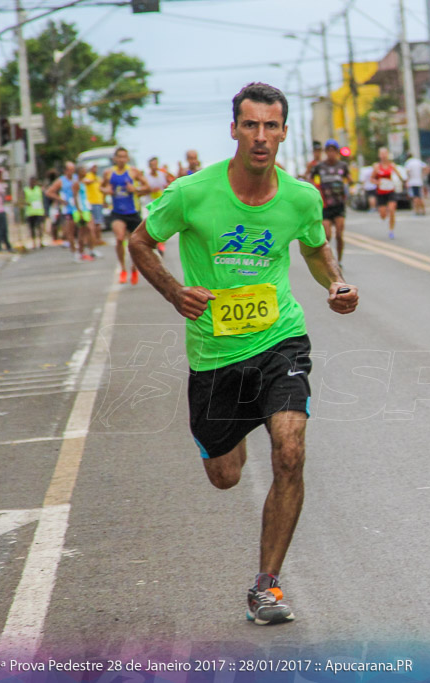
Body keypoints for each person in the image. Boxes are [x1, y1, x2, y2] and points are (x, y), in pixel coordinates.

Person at [128, 81, 358, 625]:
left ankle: (266, 586)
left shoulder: (300, 196)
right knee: (226, 475)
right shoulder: (192, 193)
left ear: (283, 131)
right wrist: (173, 290)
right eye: (250, 125)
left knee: (290, 450)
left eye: (270, 126)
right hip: (215, 354)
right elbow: (140, 241)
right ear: (233, 129)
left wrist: (337, 284)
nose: (260, 136)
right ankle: (220, 444)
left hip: (280, 339)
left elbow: (316, 247)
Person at [102, 147, 148, 283]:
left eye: (124, 157)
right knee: (120, 238)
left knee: (135, 243)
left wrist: (135, 189)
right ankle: (123, 268)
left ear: (127, 159)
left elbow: (147, 187)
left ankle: (134, 267)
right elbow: (101, 187)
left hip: (133, 212)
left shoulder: (133, 172)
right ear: (115, 159)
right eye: (119, 157)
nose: (122, 159)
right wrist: (106, 192)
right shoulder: (108, 173)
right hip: (117, 212)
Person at [310, 139, 350, 263]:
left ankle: (340, 260)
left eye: (334, 151)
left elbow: (348, 179)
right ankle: (328, 260)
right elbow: (310, 178)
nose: (331, 153)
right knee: (327, 235)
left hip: (339, 204)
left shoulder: (342, 166)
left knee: (339, 234)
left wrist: (348, 186)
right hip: (325, 205)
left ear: (337, 152)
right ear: (325, 152)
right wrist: (316, 189)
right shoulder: (320, 166)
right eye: (329, 151)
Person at [45, 163, 86, 260]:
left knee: (82, 231)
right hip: (68, 209)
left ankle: (81, 251)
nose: (72, 171)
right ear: (65, 171)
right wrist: (60, 200)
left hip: (80, 208)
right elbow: (49, 192)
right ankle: (74, 252)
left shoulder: (77, 178)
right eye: (70, 169)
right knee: (70, 232)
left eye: (73, 169)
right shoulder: (61, 181)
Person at [143, 156, 175, 254]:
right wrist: (149, 190)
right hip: (150, 204)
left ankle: (161, 244)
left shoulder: (162, 174)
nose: (154, 167)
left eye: (156, 164)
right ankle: (156, 243)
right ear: (149, 166)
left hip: (162, 204)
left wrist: (167, 185)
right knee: (152, 226)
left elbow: (173, 180)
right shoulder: (146, 177)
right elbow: (142, 189)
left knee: (163, 225)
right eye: (152, 165)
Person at [372, 147, 404, 239]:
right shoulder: (377, 167)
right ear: (379, 155)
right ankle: (383, 210)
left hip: (390, 191)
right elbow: (372, 178)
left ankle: (391, 230)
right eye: (381, 154)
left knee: (392, 209)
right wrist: (378, 182)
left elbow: (399, 176)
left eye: (385, 153)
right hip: (381, 192)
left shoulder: (392, 165)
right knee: (383, 215)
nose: (383, 156)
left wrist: (402, 181)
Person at [82, 164, 106, 238]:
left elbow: (103, 187)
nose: (95, 169)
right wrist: (93, 180)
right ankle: (95, 239)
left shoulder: (98, 178)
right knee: (94, 222)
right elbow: (85, 181)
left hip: (99, 201)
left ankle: (98, 239)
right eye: (93, 168)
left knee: (98, 223)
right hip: (91, 202)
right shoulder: (88, 176)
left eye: (96, 168)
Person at [23, 177, 46, 250]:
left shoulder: (39, 189)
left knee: (39, 227)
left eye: (34, 182)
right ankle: (34, 243)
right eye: (31, 181)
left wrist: (44, 210)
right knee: (32, 228)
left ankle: (41, 241)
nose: (33, 183)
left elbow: (42, 200)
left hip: (39, 211)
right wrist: (27, 203)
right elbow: (23, 200)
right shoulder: (26, 190)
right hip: (30, 212)